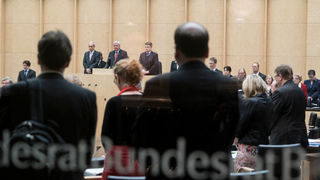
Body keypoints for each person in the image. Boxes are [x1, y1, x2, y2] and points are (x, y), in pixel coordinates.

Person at [134, 22, 239, 180]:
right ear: (207, 52)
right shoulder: (227, 84)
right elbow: (231, 131)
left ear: (176, 52)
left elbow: (140, 134)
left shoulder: (157, 84)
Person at [0, 30, 97, 179]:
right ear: (68, 61)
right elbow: (85, 154)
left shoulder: (12, 92)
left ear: (38, 59)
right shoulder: (86, 97)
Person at [101, 59, 144, 179]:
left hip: (117, 163)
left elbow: (105, 136)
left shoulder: (113, 102)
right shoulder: (149, 101)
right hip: (143, 162)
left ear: (117, 77)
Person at [233, 74, 273, 172]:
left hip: (248, 147)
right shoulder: (270, 102)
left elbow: (242, 124)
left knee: (241, 174)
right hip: (264, 146)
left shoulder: (251, 102)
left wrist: (236, 137)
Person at [270, 64, 308, 148]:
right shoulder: (300, 91)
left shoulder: (279, 92)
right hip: (299, 137)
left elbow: (273, 115)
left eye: (275, 76)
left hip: (283, 139)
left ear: (280, 76)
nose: (275, 79)